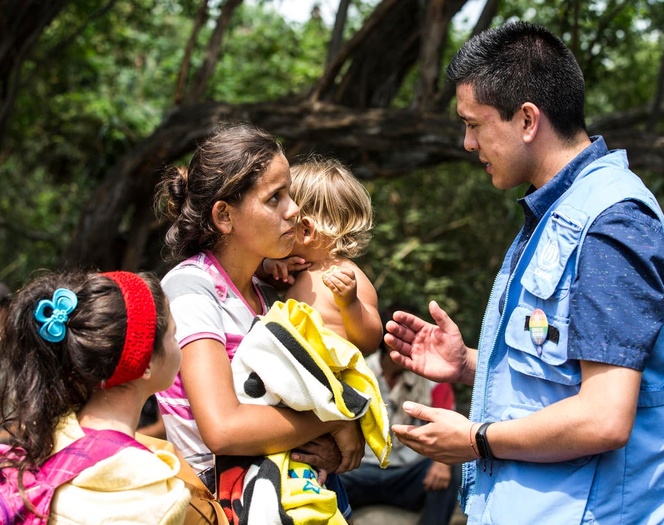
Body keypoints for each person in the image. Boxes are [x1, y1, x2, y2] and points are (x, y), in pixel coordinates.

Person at [384, 21, 664, 524]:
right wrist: (469, 363)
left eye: (474, 124)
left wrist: (474, 440)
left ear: (527, 120)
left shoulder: (609, 222)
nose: (468, 143)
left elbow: (603, 417)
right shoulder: (559, 212)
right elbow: (565, 374)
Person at [153, 123, 364, 501]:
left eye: (291, 194)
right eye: (274, 198)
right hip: (220, 500)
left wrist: (328, 441)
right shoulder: (191, 290)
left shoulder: (269, 294)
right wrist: (331, 419)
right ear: (224, 216)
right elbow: (223, 429)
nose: (295, 210)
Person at [0, 269, 190, 524]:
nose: (179, 346)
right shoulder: (155, 494)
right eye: (173, 335)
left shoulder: (43, 442)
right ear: (145, 362)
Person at [340, 306, 459, 525]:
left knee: (452, 470)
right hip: (362, 471)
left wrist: (442, 464)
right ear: (386, 341)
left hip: (408, 473)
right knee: (328, 475)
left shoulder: (433, 377)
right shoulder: (359, 371)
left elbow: (448, 425)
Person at [260, 155, 382, 355]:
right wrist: (268, 267)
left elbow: (370, 341)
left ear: (306, 231)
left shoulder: (347, 276)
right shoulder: (299, 270)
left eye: (284, 223)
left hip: (334, 380)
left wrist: (350, 304)